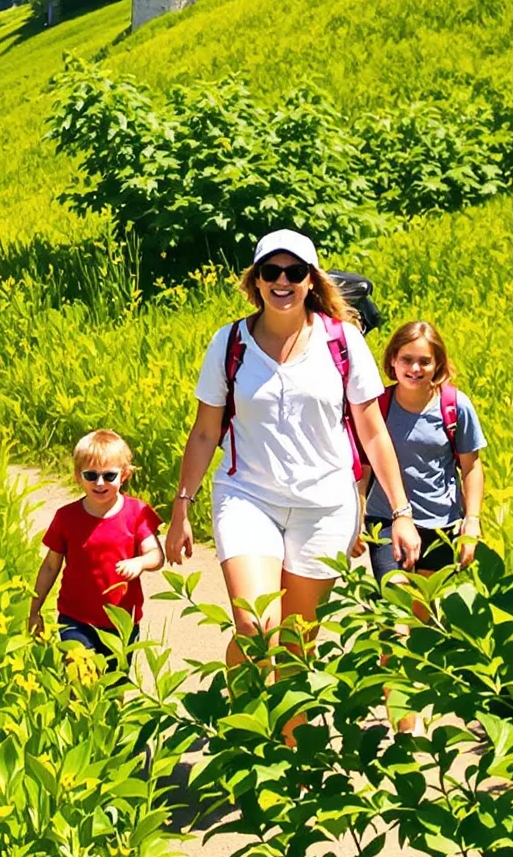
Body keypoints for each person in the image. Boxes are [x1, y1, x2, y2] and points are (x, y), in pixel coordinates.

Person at [162, 230, 415, 671]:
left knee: (296, 642)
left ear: (311, 280)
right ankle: (244, 727)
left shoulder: (343, 341)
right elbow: (204, 433)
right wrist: (182, 507)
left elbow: (373, 433)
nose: (283, 281)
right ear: (255, 282)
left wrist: (400, 513)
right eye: (271, 271)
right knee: (258, 627)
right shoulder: (229, 343)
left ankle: (289, 741)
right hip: (248, 497)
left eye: (295, 272)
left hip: (324, 506)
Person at [362, 320, 486, 582]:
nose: (415, 369)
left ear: (438, 364)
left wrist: (472, 520)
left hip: (441, 523)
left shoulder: (455, 407)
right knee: (395, 605)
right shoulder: (379, 407)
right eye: (406, 359)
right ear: (393, 360)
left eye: (425, 361)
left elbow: (471, 467)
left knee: (424, 613)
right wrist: (356, 515)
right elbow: (364, 468)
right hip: (386, 518)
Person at [28, 429, 163, 664]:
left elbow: (156, 555)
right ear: (77, 477)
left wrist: (139, 562)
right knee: (79, 674)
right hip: (74, 617)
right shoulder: (67, 517)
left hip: (121, 621)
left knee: (114, 686)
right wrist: (34, 609)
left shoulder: (137, 513)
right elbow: (50, 566)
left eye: (109, 476)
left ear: (125, 475)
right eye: (91, 475)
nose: (100, 483)